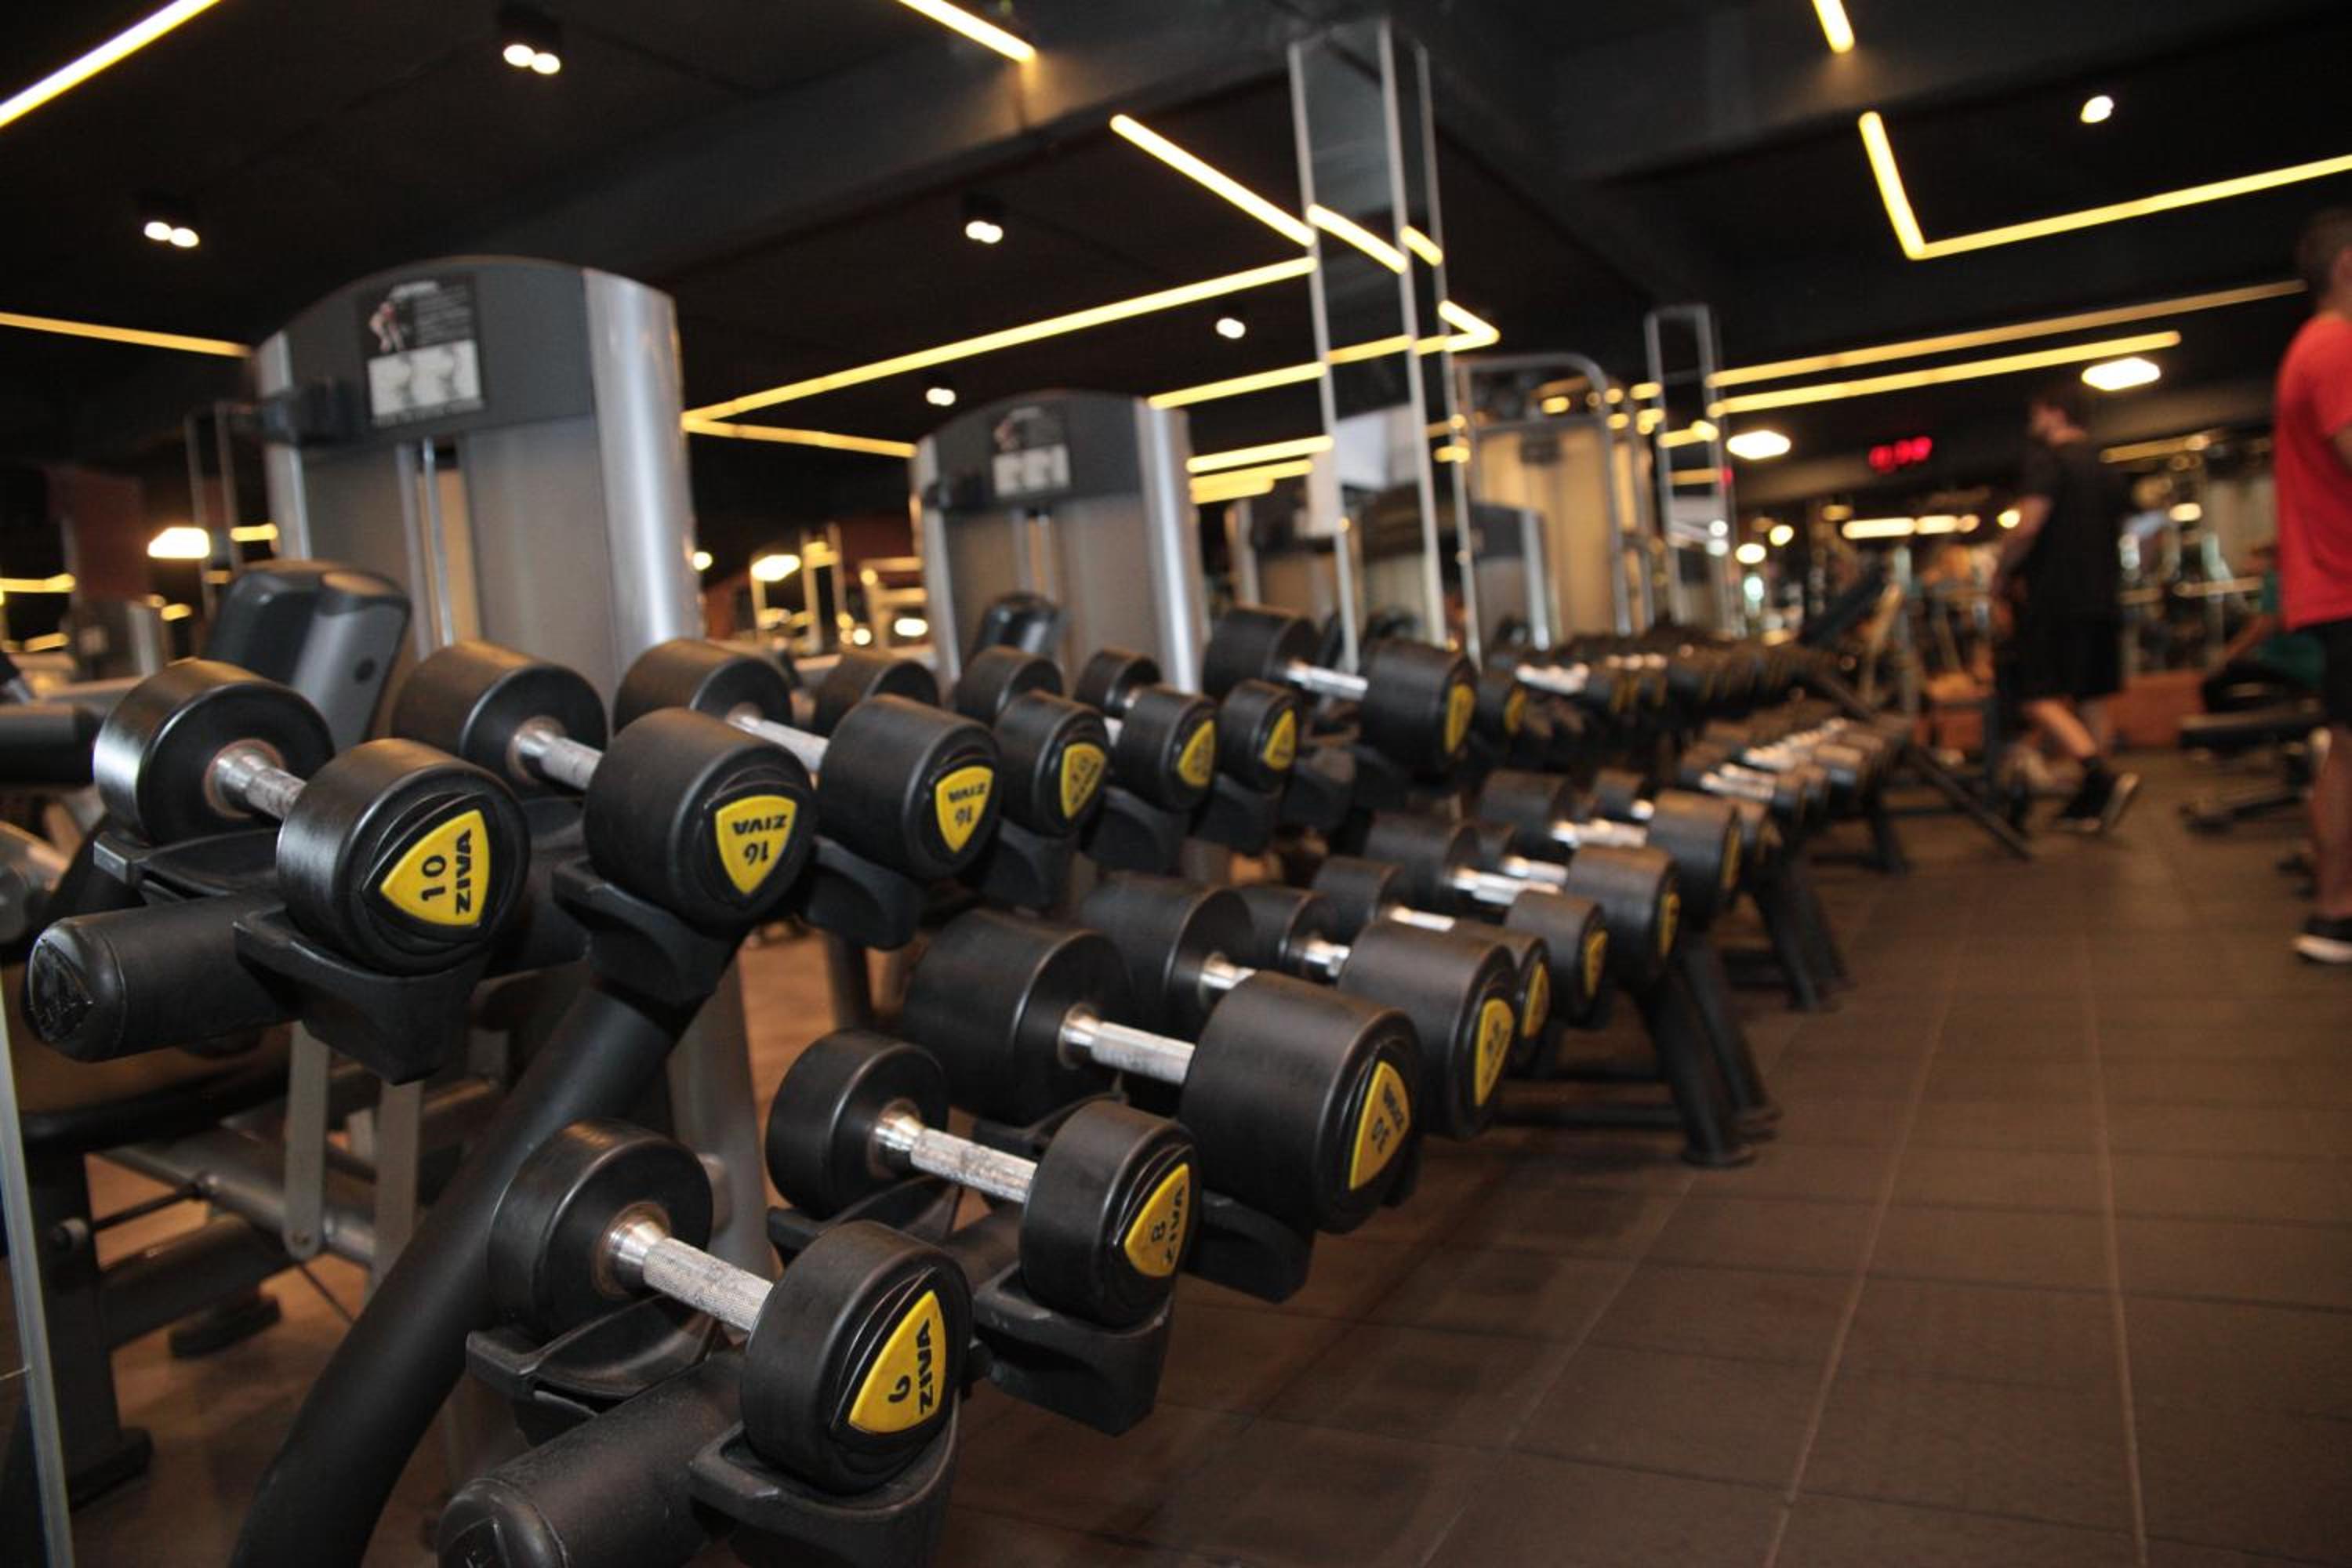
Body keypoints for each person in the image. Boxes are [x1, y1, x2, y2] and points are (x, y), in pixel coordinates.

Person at [1991, 381, 2140, 832]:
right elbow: (2144, 532)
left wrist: (2001, 573)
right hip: (2102, 598)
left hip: (2054, 599)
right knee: (2090, 697)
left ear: (2055, 413)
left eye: (2036, 412)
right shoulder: (2104, 467)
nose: (2033, 421)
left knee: (2035, 697)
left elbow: (2027, 527)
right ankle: (2093, 801)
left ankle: (2099, 776)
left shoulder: (2048, 461)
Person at [2274, 208, 2352, 964]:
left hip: (2336, 583)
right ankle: (2335, 911)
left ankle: (2335, 910)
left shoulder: (2317, 346)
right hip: (2347, 584)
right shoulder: (2334, 346)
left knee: (2346, 751)